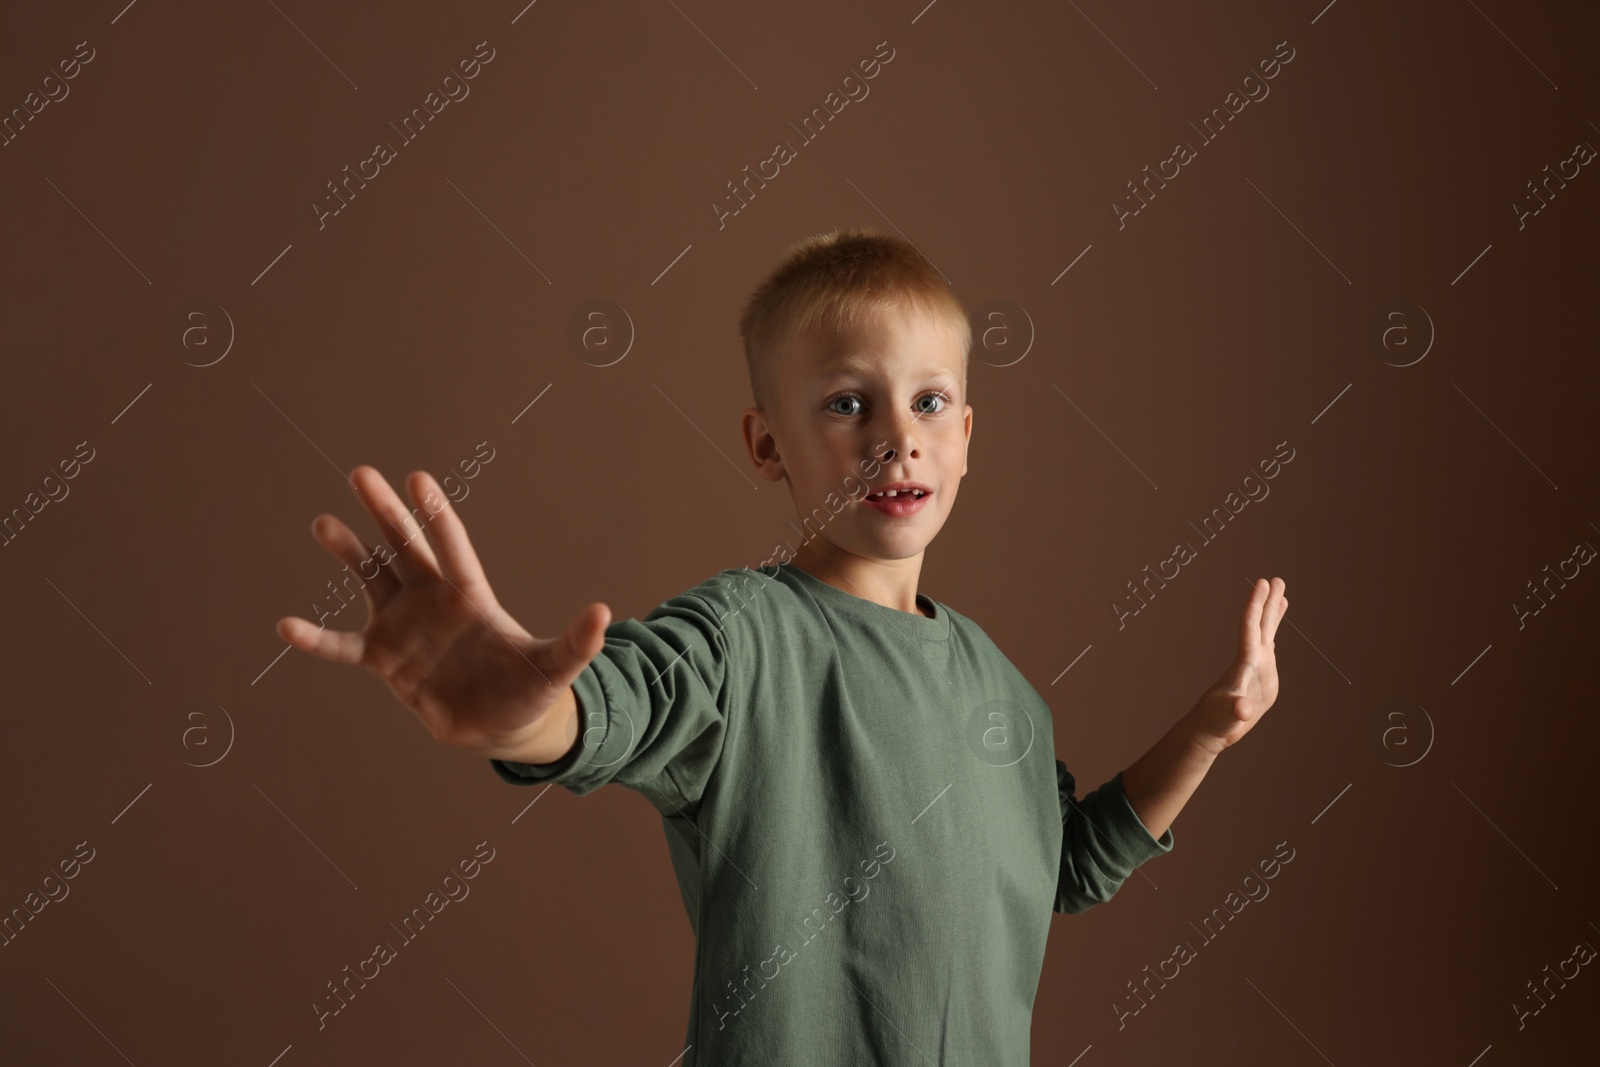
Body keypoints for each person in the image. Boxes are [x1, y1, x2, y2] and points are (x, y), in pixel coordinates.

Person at [276, 226, 1289, 1064]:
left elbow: (1062, 866)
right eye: (848, 403)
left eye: (928, 400)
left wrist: (1208, 729)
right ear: (768, 444)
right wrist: (531, 712)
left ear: (967, 433)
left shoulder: (1007, 696)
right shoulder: (740, 637)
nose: (897, 435)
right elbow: (620, 706)